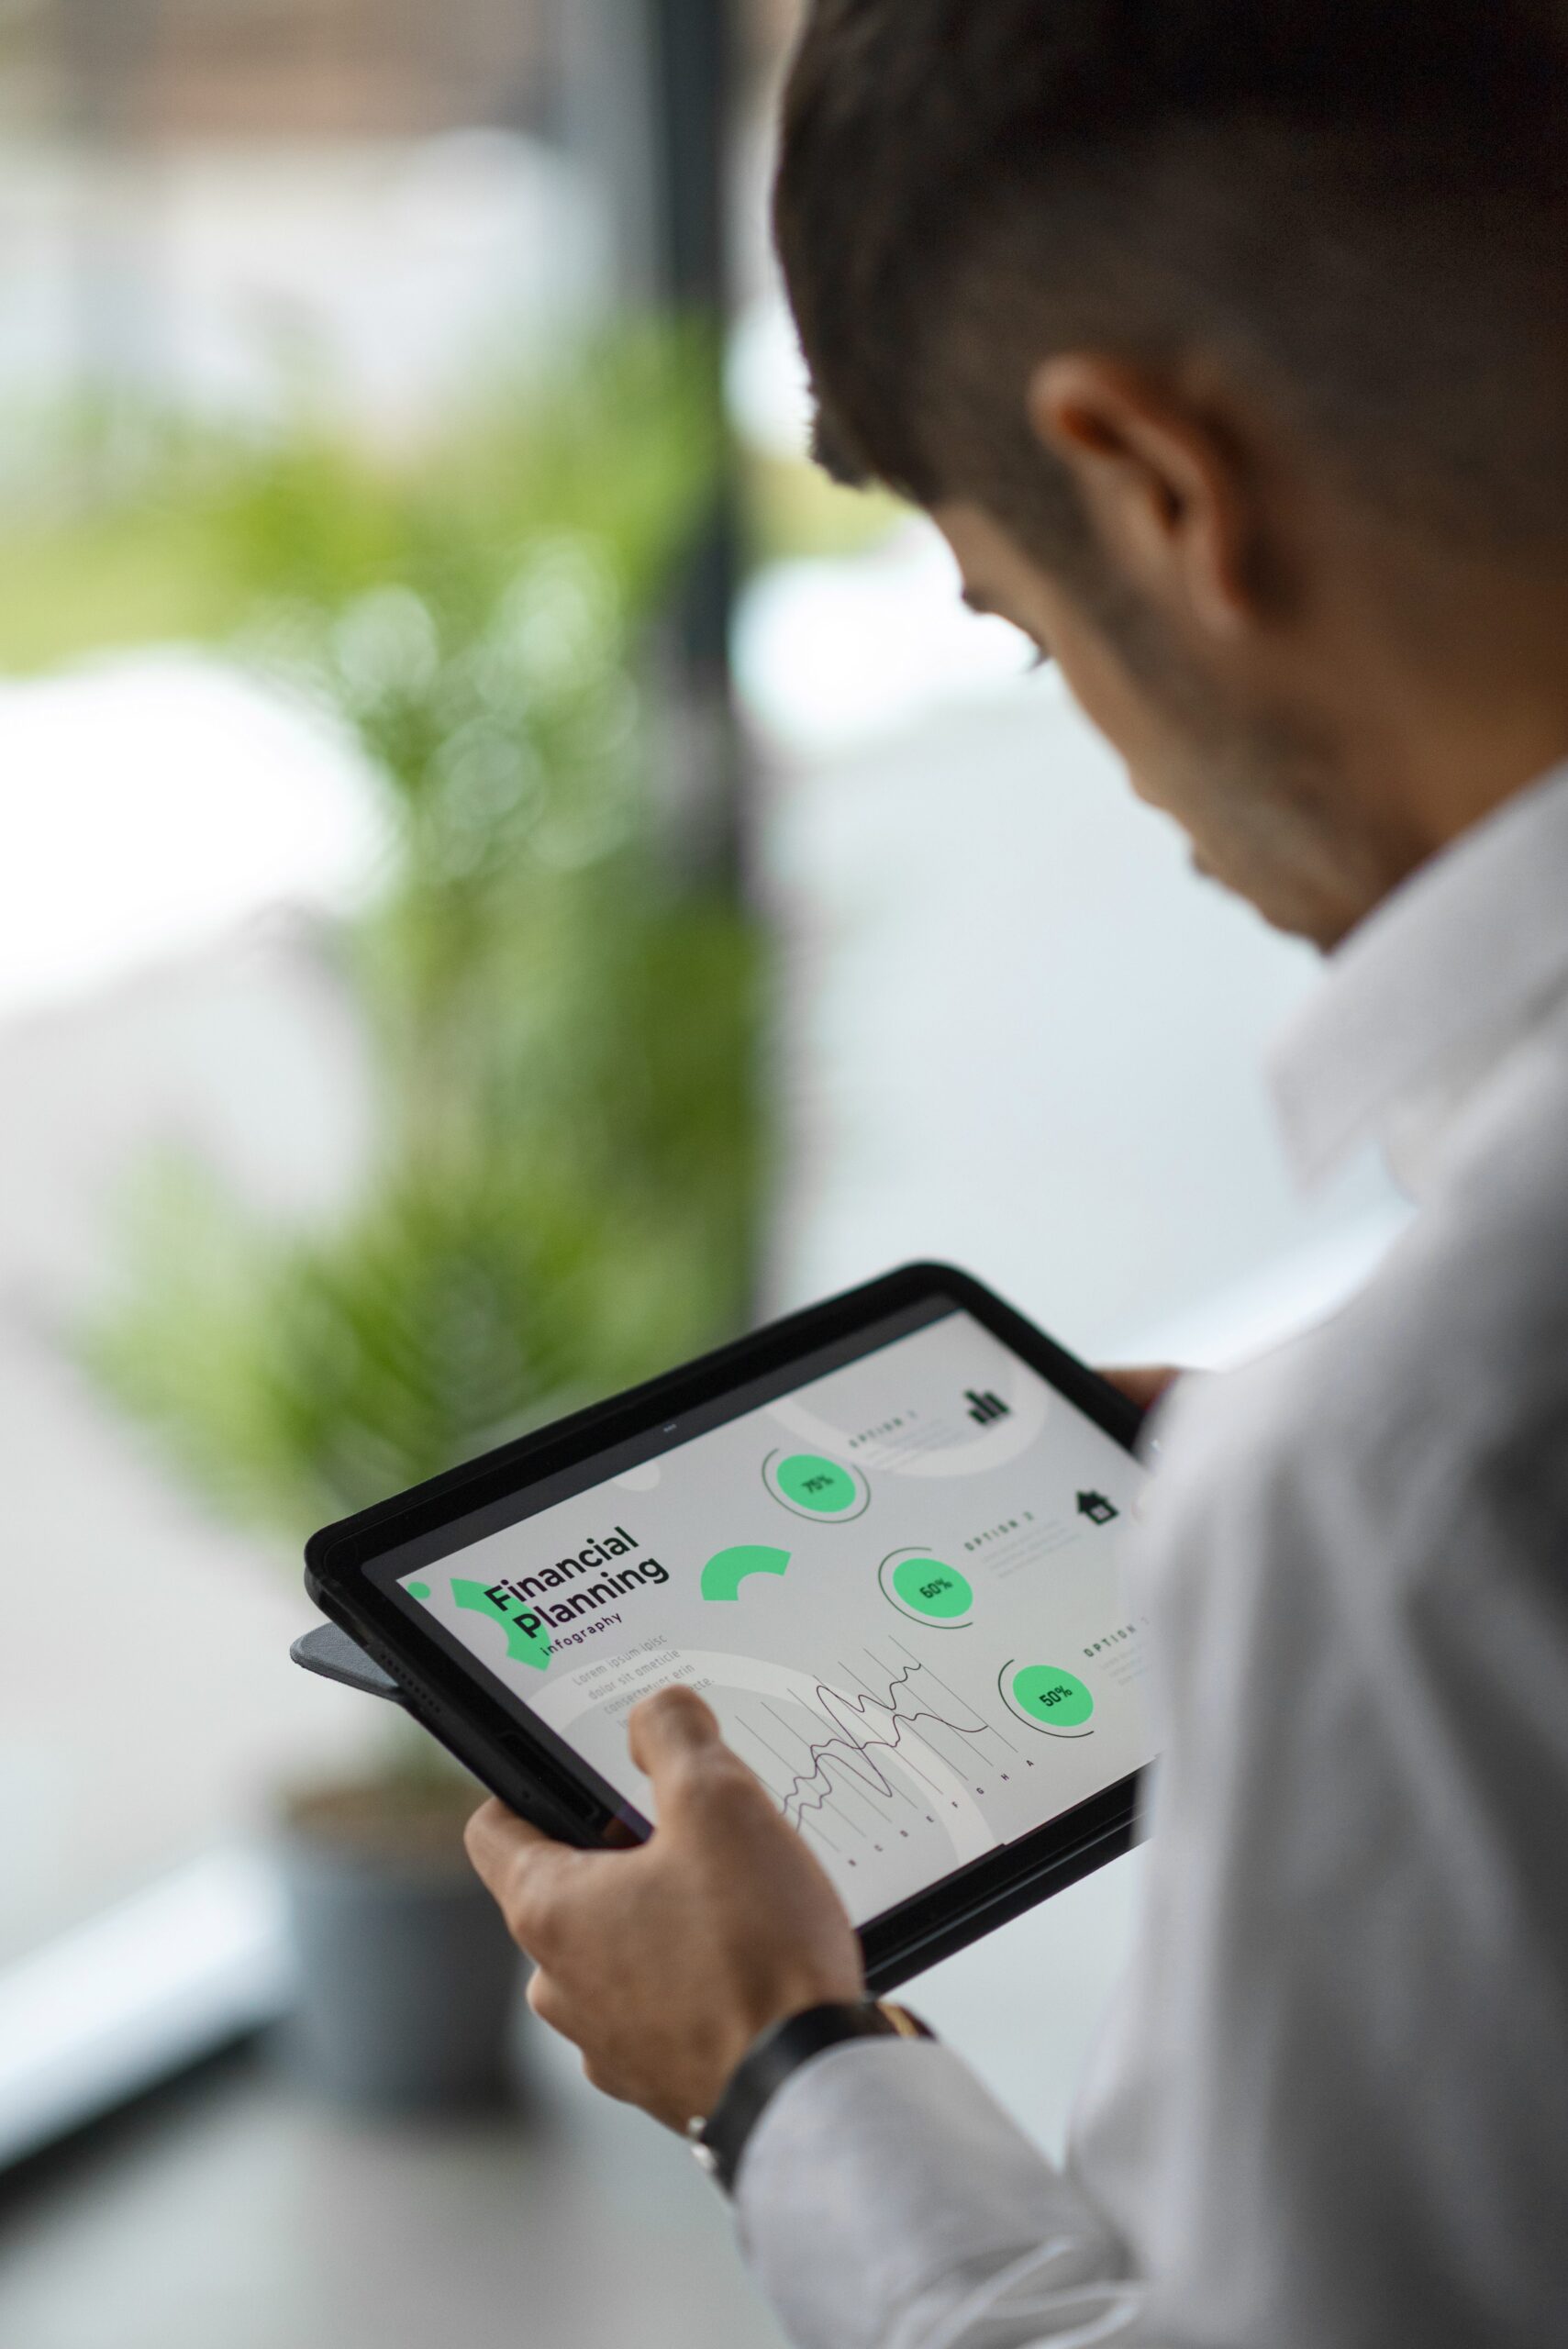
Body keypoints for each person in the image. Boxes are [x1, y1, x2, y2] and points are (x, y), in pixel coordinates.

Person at [465, 6, 1568, 2342]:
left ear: (1159, 483)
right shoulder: (1429, 1427)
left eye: (1022, 613)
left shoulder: (1404, 1474)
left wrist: (776, 2061)